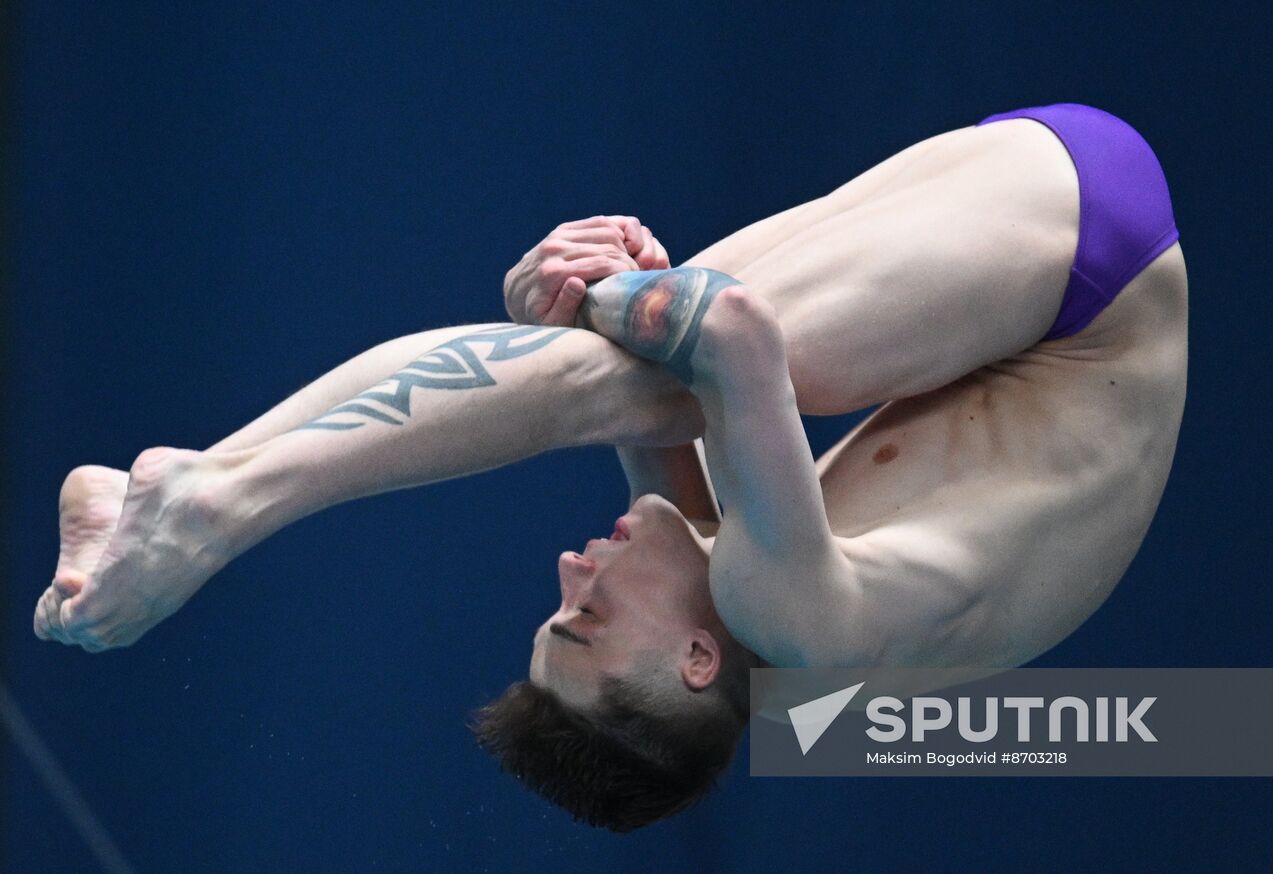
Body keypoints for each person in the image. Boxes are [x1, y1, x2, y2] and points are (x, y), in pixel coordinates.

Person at [33, 103, 1186, 831]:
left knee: (595, 366)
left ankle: (205, 489)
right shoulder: (797, 621)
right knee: (598, 370)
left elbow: (673, 429)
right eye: (584, 619)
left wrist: (586, 295)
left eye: (559, 607)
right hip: (1085, 271)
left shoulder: (750, 646)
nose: (570, 568)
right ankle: (210, 504)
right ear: (689, 663)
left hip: (1053, 245)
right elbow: (729, 336)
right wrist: (600, 295)